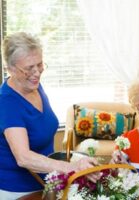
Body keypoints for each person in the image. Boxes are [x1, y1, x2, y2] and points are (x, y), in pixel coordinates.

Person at [0, 32, 98, 199]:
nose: (37, 72)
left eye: (39, 64)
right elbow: (23, 157)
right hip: (17, 190)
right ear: (10, 69)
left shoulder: (34, 86)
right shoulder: (7, 103)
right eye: (29, 68)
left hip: (46, 181)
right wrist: (71, 167)